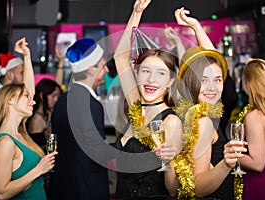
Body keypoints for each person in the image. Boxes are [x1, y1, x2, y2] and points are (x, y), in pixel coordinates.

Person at [113, 0, 183, 198]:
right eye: (146, 71)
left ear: (170, 81)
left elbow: (174, 190)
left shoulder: (171, 122)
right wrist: (136, 13)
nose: (151, 79)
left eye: (160, 74)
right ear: (137, 75)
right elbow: (120, 57)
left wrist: (169, 163)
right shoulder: (135, 103)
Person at [173, 7, 242, 199]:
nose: (212, 87)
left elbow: (215, 62)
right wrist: (226, 163)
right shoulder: (202, 122)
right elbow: (197, 187)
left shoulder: (196, 111)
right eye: (204, 80)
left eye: (217, 80)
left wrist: (195, 27)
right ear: (192, 82)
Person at [50, 37, 110, 200]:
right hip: (87, 187)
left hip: (64, 185)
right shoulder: (91, 105)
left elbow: (55, 141)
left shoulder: (62, 100)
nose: (107, 70)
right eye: (103, 65)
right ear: (91, 69)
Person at [225, 59, 265, 200]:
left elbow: (258, 164)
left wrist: (229, 155)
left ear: (249, 83)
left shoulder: (254, 116)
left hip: (259, 188)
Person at [0, 83, 58, 200]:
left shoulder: (21, 136)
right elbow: (0, 193)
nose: (33, 102)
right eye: (26, 96)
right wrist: (39, 170)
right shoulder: (6, 142)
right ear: (10, 100)